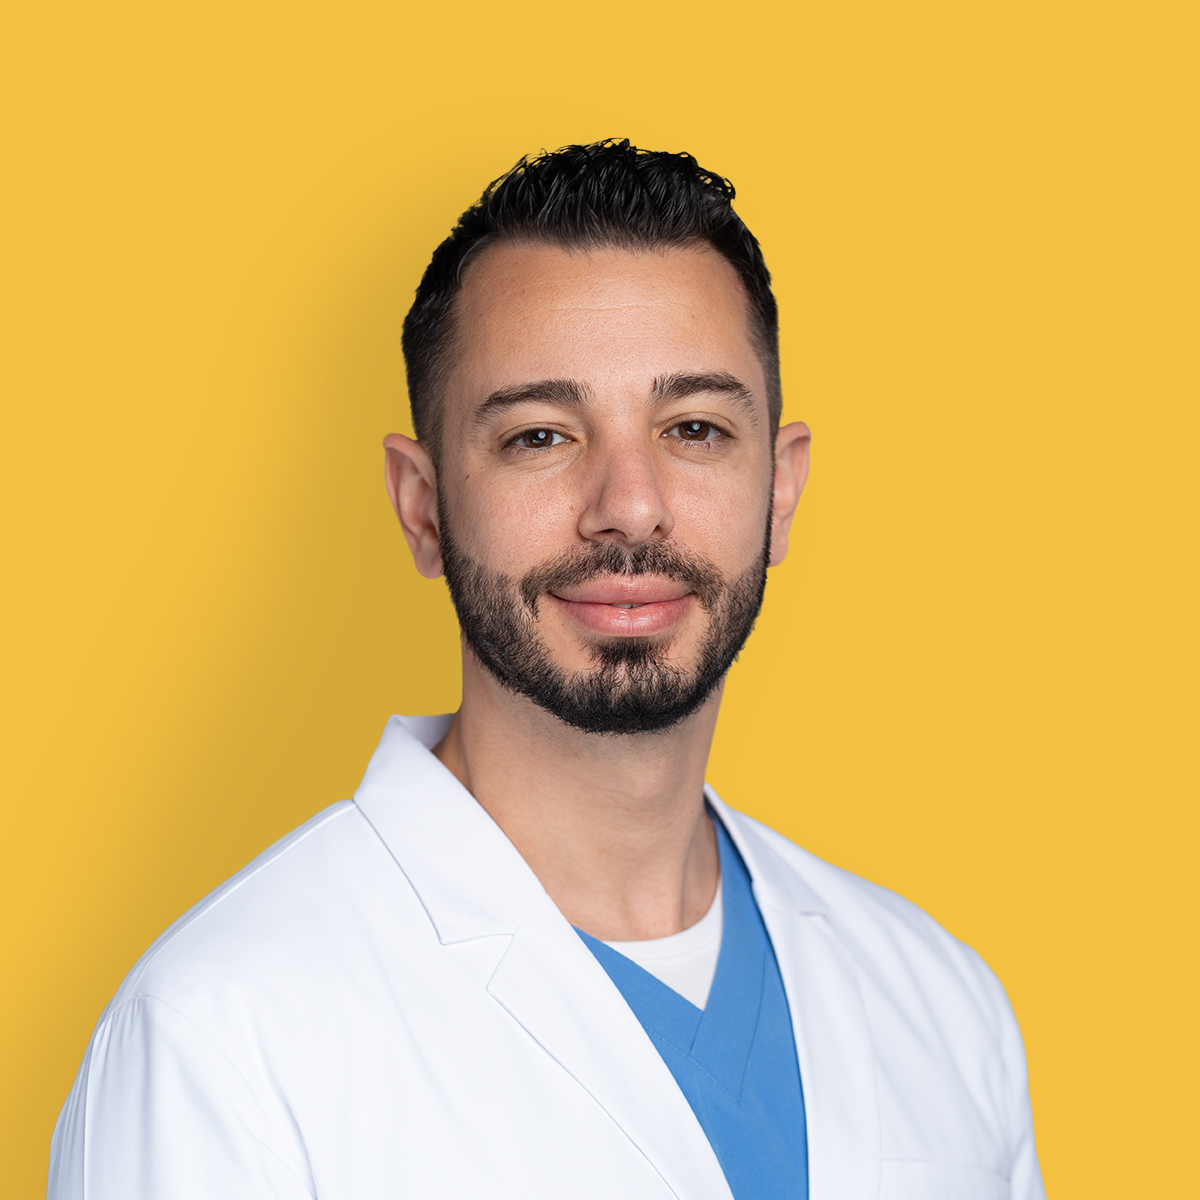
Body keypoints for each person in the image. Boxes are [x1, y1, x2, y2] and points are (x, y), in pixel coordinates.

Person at [48, 140, 1045, 1200]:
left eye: (695, 428)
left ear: (780, 489)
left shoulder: (942, 1006)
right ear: (423, 506)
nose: (630, 505)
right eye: (540, 437)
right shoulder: (220, 1040)